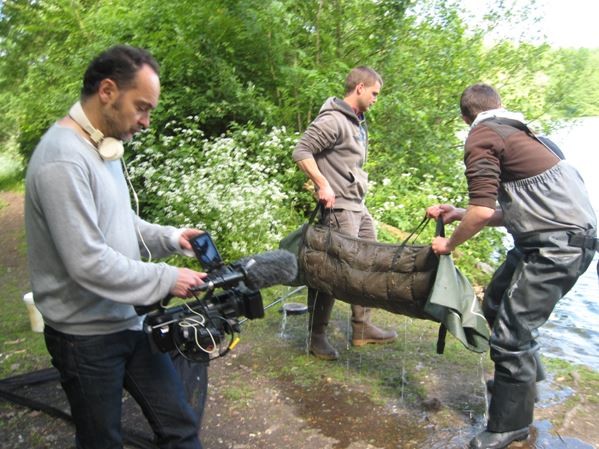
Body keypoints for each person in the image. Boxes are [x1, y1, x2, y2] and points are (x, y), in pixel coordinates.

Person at [25, 45, 207, 449]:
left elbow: (120, 224)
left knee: (180, 425)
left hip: (130, 321)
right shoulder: (62, 160)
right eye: (141, 108)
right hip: (85, 338)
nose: (145, 121)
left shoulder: (102, 146)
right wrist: (166, 278)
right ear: (107, 91)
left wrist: (170, 238)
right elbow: (87, 261)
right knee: (101, 441)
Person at [426, 83, 596, 449]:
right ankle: (525, 386)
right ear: (498, 106)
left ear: (465, 117)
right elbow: (517, 211)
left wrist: (449, 243)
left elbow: (484, 210)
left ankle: (510, 425)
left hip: (557, 247)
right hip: (548, 239)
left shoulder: (482, 137)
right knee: (495, 302)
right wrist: (460, 214)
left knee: (511, 335)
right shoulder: (528, 134)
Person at [292, 66, 397, 360]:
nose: (377, 99)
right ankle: (316, 336)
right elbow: (301, 151)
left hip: (357, 206)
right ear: (360, 88)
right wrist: (322, 183)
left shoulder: (358, 123)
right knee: (332, 271)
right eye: (374, 93)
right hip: (338, 209)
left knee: (370, 263)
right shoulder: (334, 120)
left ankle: (362, 326)